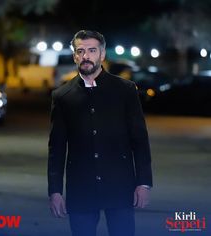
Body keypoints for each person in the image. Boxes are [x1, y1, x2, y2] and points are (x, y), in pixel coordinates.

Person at [48, 30, 153, 236]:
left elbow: (139, 140)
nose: (86, 56)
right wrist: (55, 191)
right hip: (81, 188)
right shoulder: (62, 96)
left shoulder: (125, 89)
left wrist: (144, 182)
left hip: (120, 186)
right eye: (81, 51)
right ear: (75, 56)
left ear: (102, 54)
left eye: (92, 50)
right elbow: (57, 148)